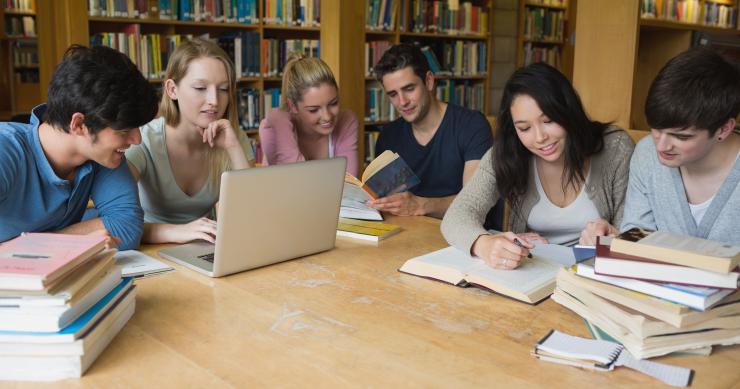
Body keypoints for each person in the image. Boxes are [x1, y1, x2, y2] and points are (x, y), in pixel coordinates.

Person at [441, 63, 635, 270]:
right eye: (524, 128)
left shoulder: (616, 149)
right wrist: (485, 244)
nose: (540, 138)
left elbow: (638, 234)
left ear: (568, 111)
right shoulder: (506, 153)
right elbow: (458, 214)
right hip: (533, 272)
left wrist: (614, 237)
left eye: (549, 120)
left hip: (594, 277)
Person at [0, 45, 158, 249]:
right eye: (124, 129)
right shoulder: (6, 150)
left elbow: (127, 228)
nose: (137, 139)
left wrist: (45, 246)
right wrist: (73, 242)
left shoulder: (100, 155)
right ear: (78, 124)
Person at [126, 38, 255, 244]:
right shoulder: (143, 141)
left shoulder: (232, 136)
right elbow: (118, 224)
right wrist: (175, 232)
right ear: (172, 90)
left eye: (223, 89)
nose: (214, 100)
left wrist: (233, 148)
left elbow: (254, 213)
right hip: (147, 249)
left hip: (205, 247)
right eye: (200, 88)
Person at [621, 48, 740, 245]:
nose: (661, 145)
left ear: (723, 129)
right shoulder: (646, 153)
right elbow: (635, 237)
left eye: (681, 136)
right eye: (656, 129)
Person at [370, 43, 493, 218]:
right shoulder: (389, 136)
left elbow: (475, 202)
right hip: (408, 235)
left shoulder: (472, 126)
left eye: (409, 89)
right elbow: (392, 204)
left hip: (462, 235)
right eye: (393, 94)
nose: (402, 102)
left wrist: (422, 205)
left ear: (429, 81)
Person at [259, 54, 359, 176]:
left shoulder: (347, 121)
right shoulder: (272, 128)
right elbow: (291, 182)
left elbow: (349, 185)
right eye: (314, 110)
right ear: (293, 106)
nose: (327, 116)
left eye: (333, 103)